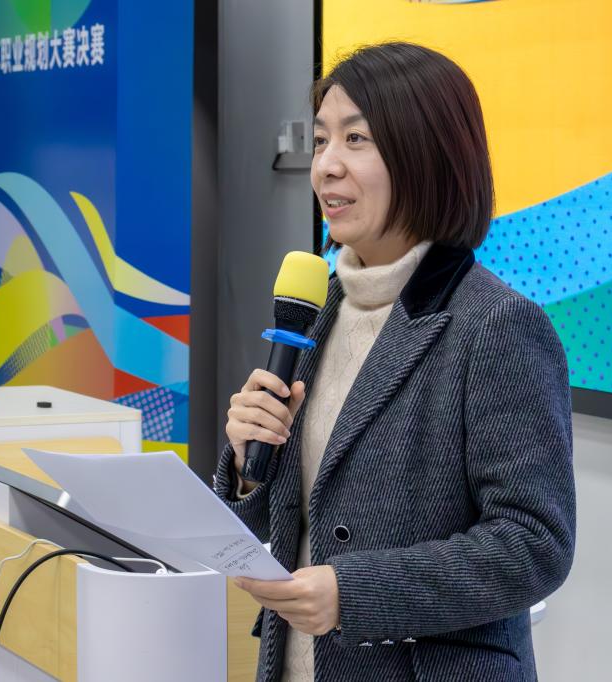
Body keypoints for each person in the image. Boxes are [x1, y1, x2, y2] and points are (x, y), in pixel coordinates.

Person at [215, 41, 576, 682]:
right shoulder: (319, 308)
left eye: (356, 140)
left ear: (426, 155)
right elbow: (296, 519)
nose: (326, 166)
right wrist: (248, 466)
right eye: (320, 140)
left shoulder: (495, 324)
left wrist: (354, 593)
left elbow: (534, 544)